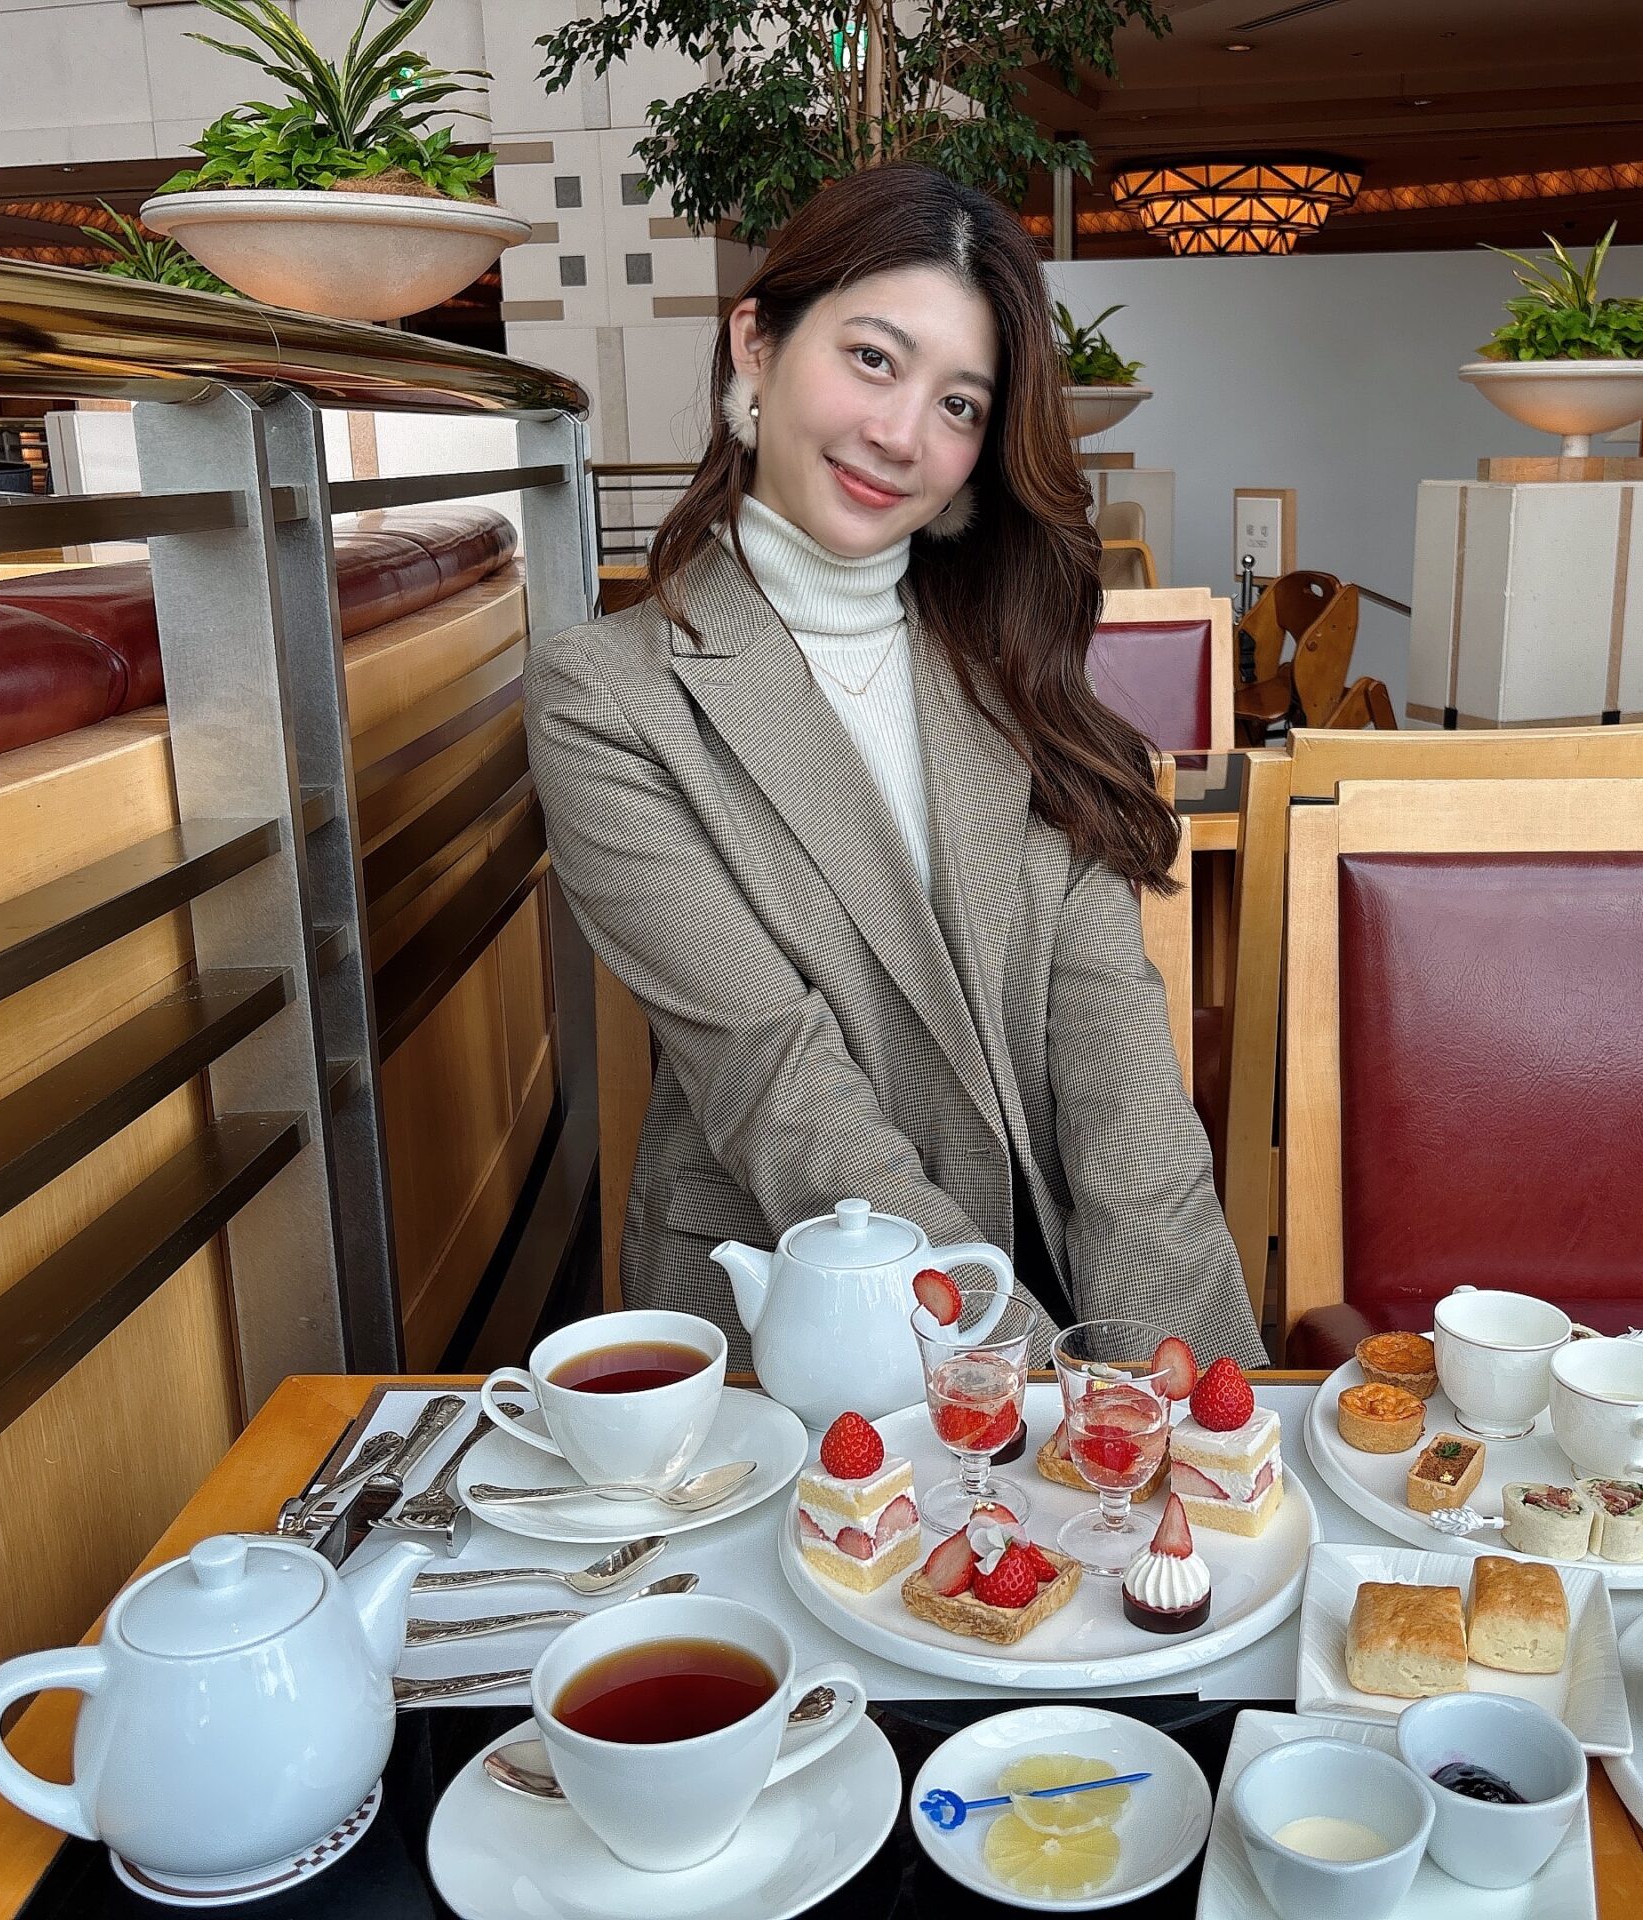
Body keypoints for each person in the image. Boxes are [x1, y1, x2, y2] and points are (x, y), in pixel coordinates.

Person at [526, 162, 1263, 1367]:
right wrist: (1026, 1381)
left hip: (1065, 1279)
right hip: (805, 1308)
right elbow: (776, 1084)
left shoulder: (1012, 671)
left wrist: (1165, 1390)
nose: (901, 436)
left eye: (960, 405)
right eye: (872, 358)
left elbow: (1122, 1088)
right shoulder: (609, 696)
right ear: (756, 344)